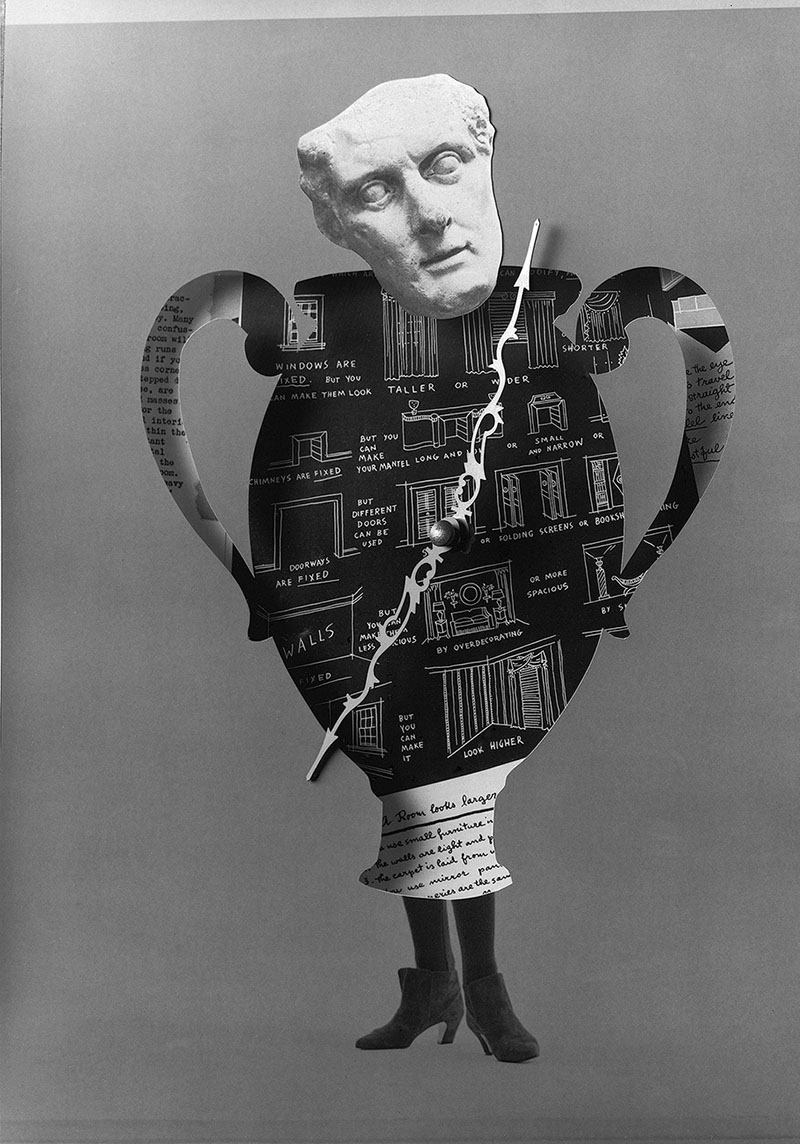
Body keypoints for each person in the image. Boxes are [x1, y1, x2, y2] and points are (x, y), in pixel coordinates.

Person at [297, 74, 539, 1063]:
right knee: (406, 793)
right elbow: (329, 473)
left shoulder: (507, 326)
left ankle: (480, 985)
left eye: (443, 167)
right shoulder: (354, 338)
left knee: (460, 794)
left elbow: (533, 471)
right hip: (381, 600)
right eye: (375, 194)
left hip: (477, 596)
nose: (428, 216)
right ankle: (437, 981)